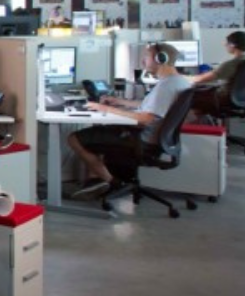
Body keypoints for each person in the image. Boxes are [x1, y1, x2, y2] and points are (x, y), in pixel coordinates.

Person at [67, 42, 191, 200]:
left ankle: (113, 182)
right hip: (156, 139)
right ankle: (98, 180)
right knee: (99, 133)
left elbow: (146, 119)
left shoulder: (166, 86)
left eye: (146, 56)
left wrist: (105, 109)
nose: (143, 61)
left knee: (74, 138)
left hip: (142, 139)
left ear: (160, 59)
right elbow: (154, 106)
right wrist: (122, 102)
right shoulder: (178, 81)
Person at [190, 31, 245, 119]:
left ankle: (196, 126)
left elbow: (202, 79)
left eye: (227, 43)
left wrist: (184, 78)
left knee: (188, 96)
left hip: (222, 98)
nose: (225, 45)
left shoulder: (232, 63)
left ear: (233, 45)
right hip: (238, 98)